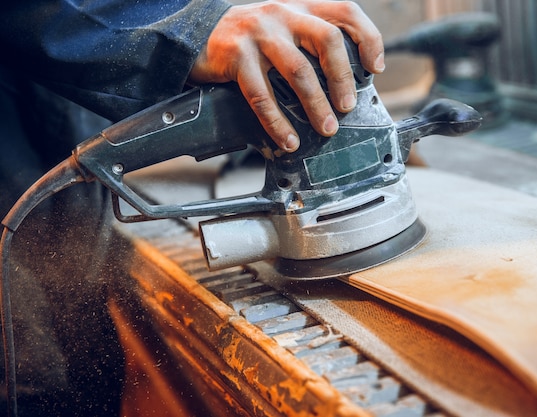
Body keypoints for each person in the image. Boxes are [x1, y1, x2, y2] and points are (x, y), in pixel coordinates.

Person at [0, 0, 384, 415]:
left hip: (58, 159)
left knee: (80, 365)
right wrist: (188, 31)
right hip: (14, 172)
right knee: (39, 377)